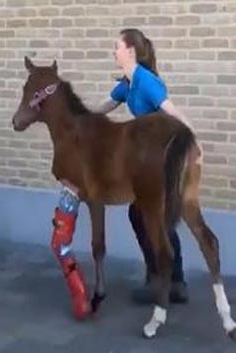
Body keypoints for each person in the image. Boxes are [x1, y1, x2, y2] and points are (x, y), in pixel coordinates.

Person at [94, 28, 190, 304]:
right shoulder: (127, 83)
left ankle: (166, 279)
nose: (114, 51)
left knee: (151, 217)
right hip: (146, 160)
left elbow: (174, 114)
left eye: (117, 47)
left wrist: (193, 146)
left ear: (130, 52)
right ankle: (171, 280)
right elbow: (107, 105)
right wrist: (82, 119)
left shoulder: (146, 82)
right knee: (147, 217)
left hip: (160, 159)